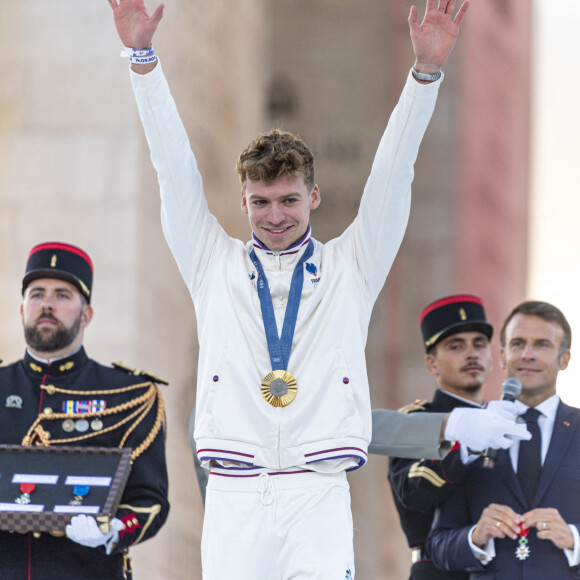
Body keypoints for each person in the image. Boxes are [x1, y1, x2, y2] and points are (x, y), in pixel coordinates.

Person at [106, 0, 527, 576]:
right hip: (235, 495)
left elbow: (392, 173)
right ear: (244, 201)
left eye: (288, 201)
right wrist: (142, 61)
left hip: (319, 490)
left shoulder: (352, 265)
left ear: (314, 197)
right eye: (260, 203)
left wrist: (425, 75)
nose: (274, 216)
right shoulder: (211, 262)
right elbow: (170, 167)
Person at [0, 242, 169, 579]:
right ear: (21, 309)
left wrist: (113, 529)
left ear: (86, 314)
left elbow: (150, 499)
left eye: (62, 294)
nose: (47, 304)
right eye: (36, 294)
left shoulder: (128, 395)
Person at [427, 300, 580, 579]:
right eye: (518, 343)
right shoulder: (470, 427)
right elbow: (438, 545)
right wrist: (476, 536)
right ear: (501, 355)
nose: (527, 354)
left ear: (565, 358)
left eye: (542, 345)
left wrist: (574, 539)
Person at [387, 294, 493, 580]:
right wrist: (468, 446)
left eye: (479, 344)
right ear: (431, 363)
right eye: (456, 346)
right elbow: (413, 490)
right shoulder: (414, 420)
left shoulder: (505, 423)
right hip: (439, 571)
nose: (472, 354)